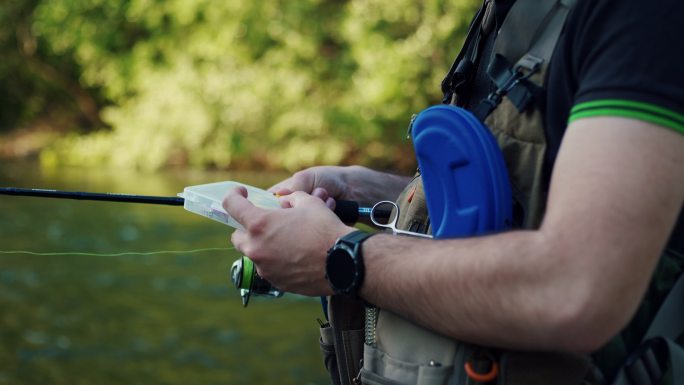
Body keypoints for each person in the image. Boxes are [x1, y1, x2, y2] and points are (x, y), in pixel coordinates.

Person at [223, 0, 684, 383]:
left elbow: (577, 288)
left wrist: (338, 257)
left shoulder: (643, 16)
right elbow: (520, 208)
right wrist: (360, 188)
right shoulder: (507, 15)